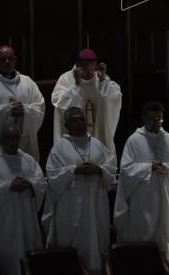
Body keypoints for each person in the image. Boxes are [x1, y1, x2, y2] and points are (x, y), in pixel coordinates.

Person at [113, 102, 169, 269]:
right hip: (142, 200)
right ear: (144, 119)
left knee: (163, 240)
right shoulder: (134, 140)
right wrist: (149, 167)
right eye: (152, 119)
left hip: (163, 198)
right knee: (142, 242)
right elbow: (126, 169)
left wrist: (166, 166)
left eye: (159, 119)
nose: (156, 123)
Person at [42, 107, 117, 275]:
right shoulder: (59, 148)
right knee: (73, 248)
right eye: (75, 120)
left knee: (96, 243)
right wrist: (73, 170)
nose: (80, 123)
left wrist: (99, 169)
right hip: (70, 208)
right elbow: (52, 175)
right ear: (67, 125)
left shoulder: (96, 144)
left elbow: (111, 167)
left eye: (82, 119)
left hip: (95, 205)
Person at [0, 124, 47, 275]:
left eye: (16, 138)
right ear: (1, 139)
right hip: (3, 222)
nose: (14, 142)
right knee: (7, 261)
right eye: (9, 138)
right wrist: (9, 186)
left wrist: (30, 184)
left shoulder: (28, 159)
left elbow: (41, 182)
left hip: (26, 218)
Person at [0, 45, 45, 183]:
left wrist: (25, 110)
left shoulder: (28, 82)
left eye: (10, 59)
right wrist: (8, 110)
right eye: (3, 59)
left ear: (15, 60)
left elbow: (39, 107)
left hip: (23, 143)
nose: (7, 62)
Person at [50, 49, 123, 153]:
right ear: (78, 65)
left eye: (92, 67)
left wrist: (103, 81)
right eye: (85, 68)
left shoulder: (100, 79)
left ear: (96, 65)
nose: (89, 72)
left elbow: (114, 98)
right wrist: (76, 85)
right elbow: (60, 103)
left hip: (97, 132)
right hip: (74, 136)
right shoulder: (66, 79)